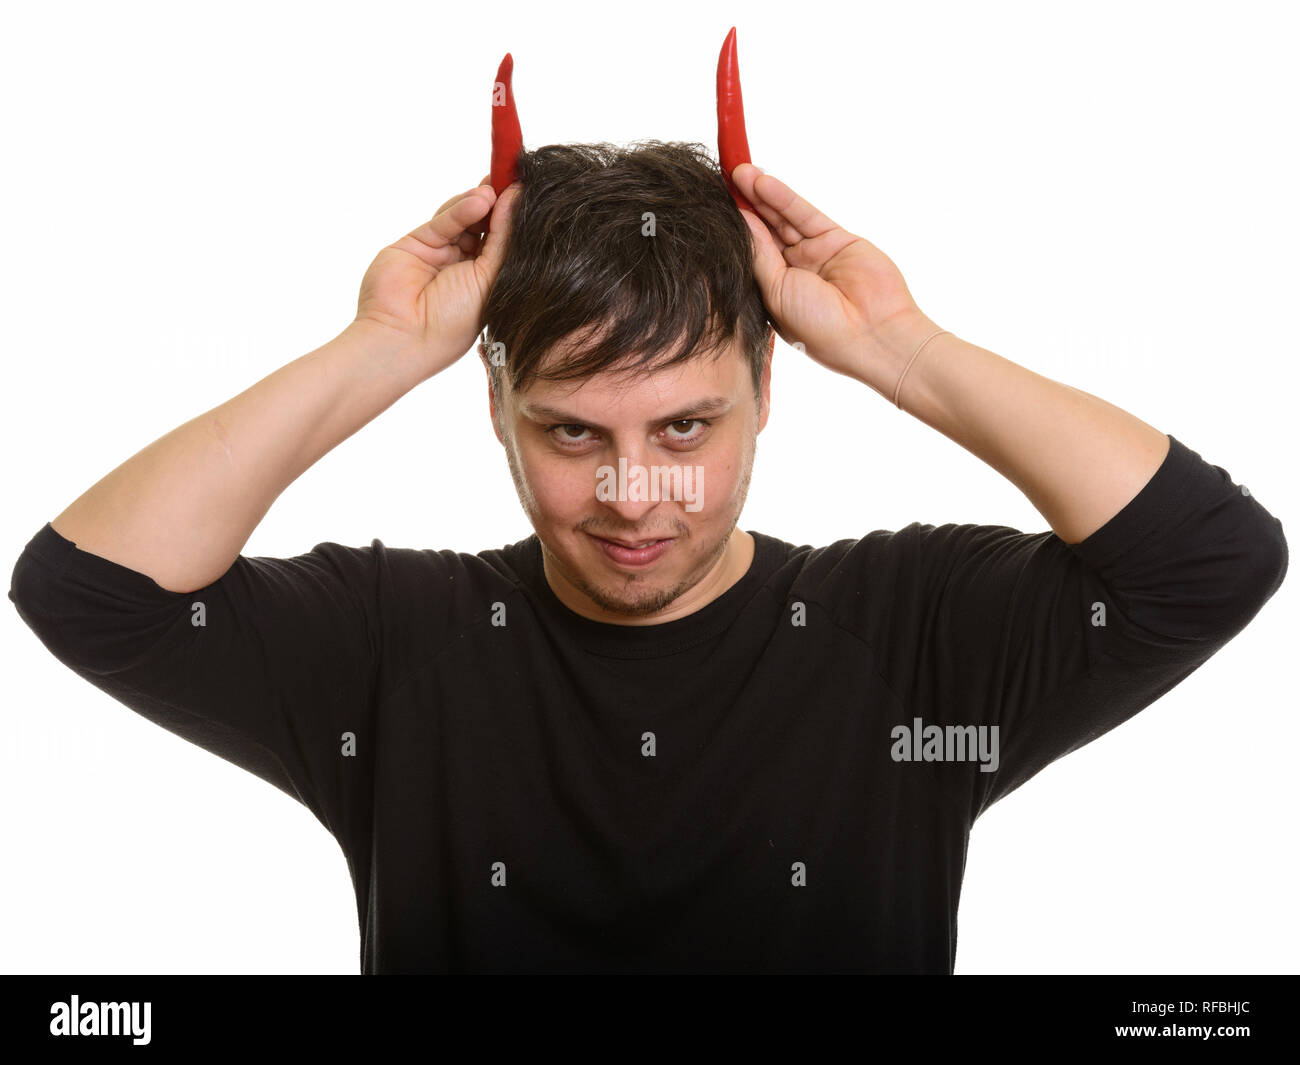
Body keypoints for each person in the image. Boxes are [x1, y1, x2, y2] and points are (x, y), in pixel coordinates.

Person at [8, 141, 1287, 974]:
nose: (633, 494)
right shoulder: (395, 647)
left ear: (766, 389)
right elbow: (91, 591)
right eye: (571, 431)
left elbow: (1208, 560)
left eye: (686, 424)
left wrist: (900, 348)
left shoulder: (909, 639)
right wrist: (381, 350)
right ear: (497, 408)